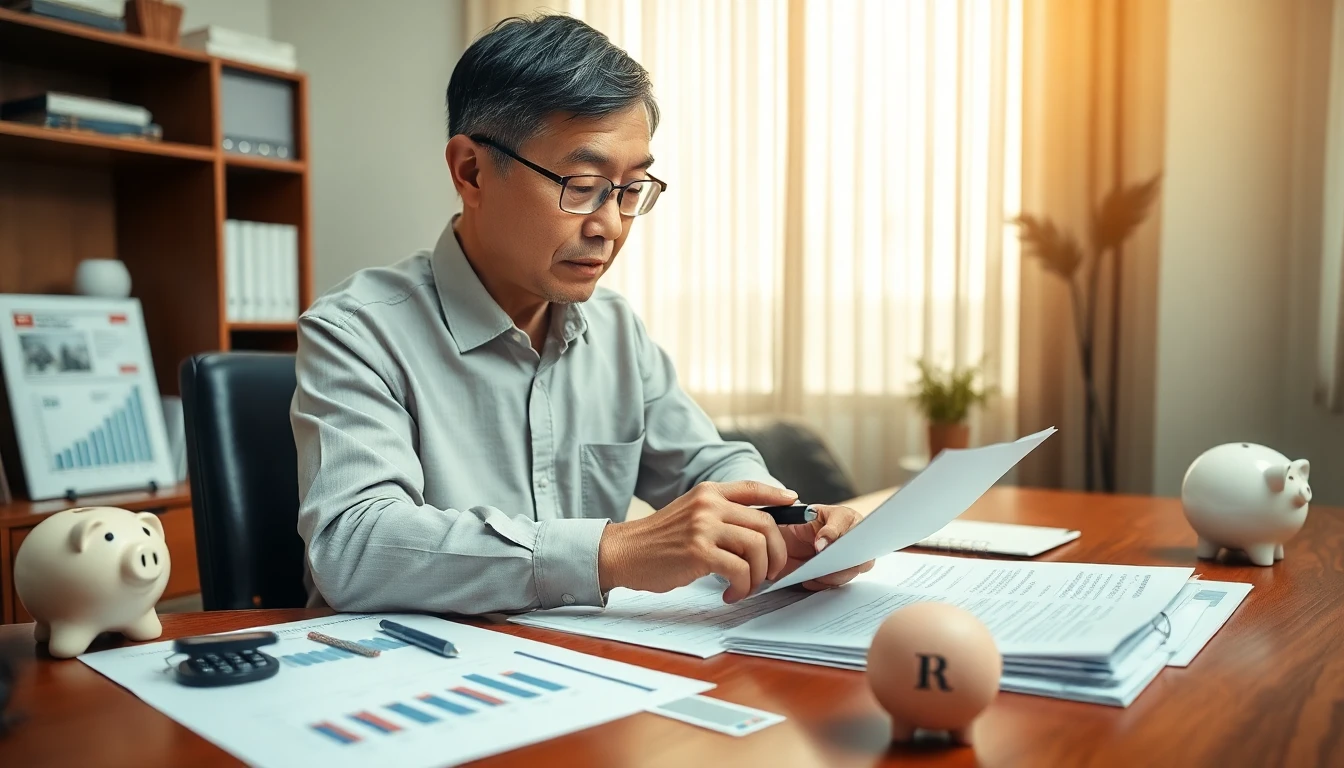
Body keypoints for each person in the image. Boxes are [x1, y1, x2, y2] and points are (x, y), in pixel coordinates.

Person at [290, 14, 874, 615]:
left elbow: (706, 462)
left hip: (585, 657)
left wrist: (785, 522)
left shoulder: (615, 330)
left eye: (631, 189)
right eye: (583, 184)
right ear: (471, 171)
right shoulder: (357, 332)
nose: (611, 226)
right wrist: (613, 552)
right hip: (412, 663)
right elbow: (354, 547)